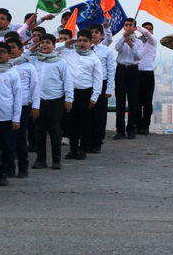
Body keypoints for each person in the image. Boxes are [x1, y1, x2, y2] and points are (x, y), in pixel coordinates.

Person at [30, 33, 73, 170]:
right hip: (38, 102)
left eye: (48, 42)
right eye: (42, 42)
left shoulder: (60, 62)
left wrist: (69, 99)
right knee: (39, 131)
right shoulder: (33, 60)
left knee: (55, 130)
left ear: (54, 46)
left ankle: (56, 160)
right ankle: (40, 159)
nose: (44, 45)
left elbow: (67, 81)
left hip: (55, 100)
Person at [61, 30, 103, 160]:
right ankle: (73, 149)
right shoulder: (68, 54)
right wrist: (67, 42)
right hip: (71, 93)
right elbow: (55, 50)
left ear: (91, 43)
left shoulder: (94, 59)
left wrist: (94, 97)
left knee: (84, 123)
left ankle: (83, 149)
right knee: (71, 123)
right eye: (79, 40)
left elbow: (98, 79)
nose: (82, 43)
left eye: (85, 41)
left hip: (86, 93)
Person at [0, 42, 22, 186]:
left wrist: (16, 118)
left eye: (2, 52)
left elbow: (17, 96)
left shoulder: (13, 73)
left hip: (7, 116)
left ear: (9, 55)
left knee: (7, 147)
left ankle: (4, 173)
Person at [7, 38, 40, 178]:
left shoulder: (28, 67)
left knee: (21, 139)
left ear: (21, 50)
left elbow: (35, 88)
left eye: (13, 47)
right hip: (4, 109)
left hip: (22, 107)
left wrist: (36, 107)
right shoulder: (0, 66)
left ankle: (23, 168)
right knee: (6, 141)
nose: (10, 51)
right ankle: (8, 169)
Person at [88, 23, 115, 152]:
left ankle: (97, 141)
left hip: (102, 84)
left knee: (99, 114)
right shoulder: (83, 49)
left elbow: (111, 70)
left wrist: (109, 88)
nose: (93, 34)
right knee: (87, 113)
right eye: (91, 32)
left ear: (101, 35)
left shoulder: (106, 51)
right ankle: (86, 140)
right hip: (86, 84)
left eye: (96, 32)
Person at [114, 18, 142, 139]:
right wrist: (124, 38)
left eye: (131, 25)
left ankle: (131, 129)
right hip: (121, 70)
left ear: (135, 28)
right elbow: (116, 48)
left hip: (133, 70)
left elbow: (139, 56)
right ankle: (119, 130)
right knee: (120, 101)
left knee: (133, 101)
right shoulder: (120, 39)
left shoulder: (139, 42)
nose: (128, 27)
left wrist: (132, 45)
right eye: (126, 25)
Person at [136, 22, 157, 135]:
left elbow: (147, 35)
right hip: (136, 73)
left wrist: (138, 27)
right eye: (146, 29)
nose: (148, 31)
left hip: (148, 74)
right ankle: (137, 124)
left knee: (147, 102)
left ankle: (145, 125)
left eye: (150, 29)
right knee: (137, 101)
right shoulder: (137, 41)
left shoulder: (153, 41)